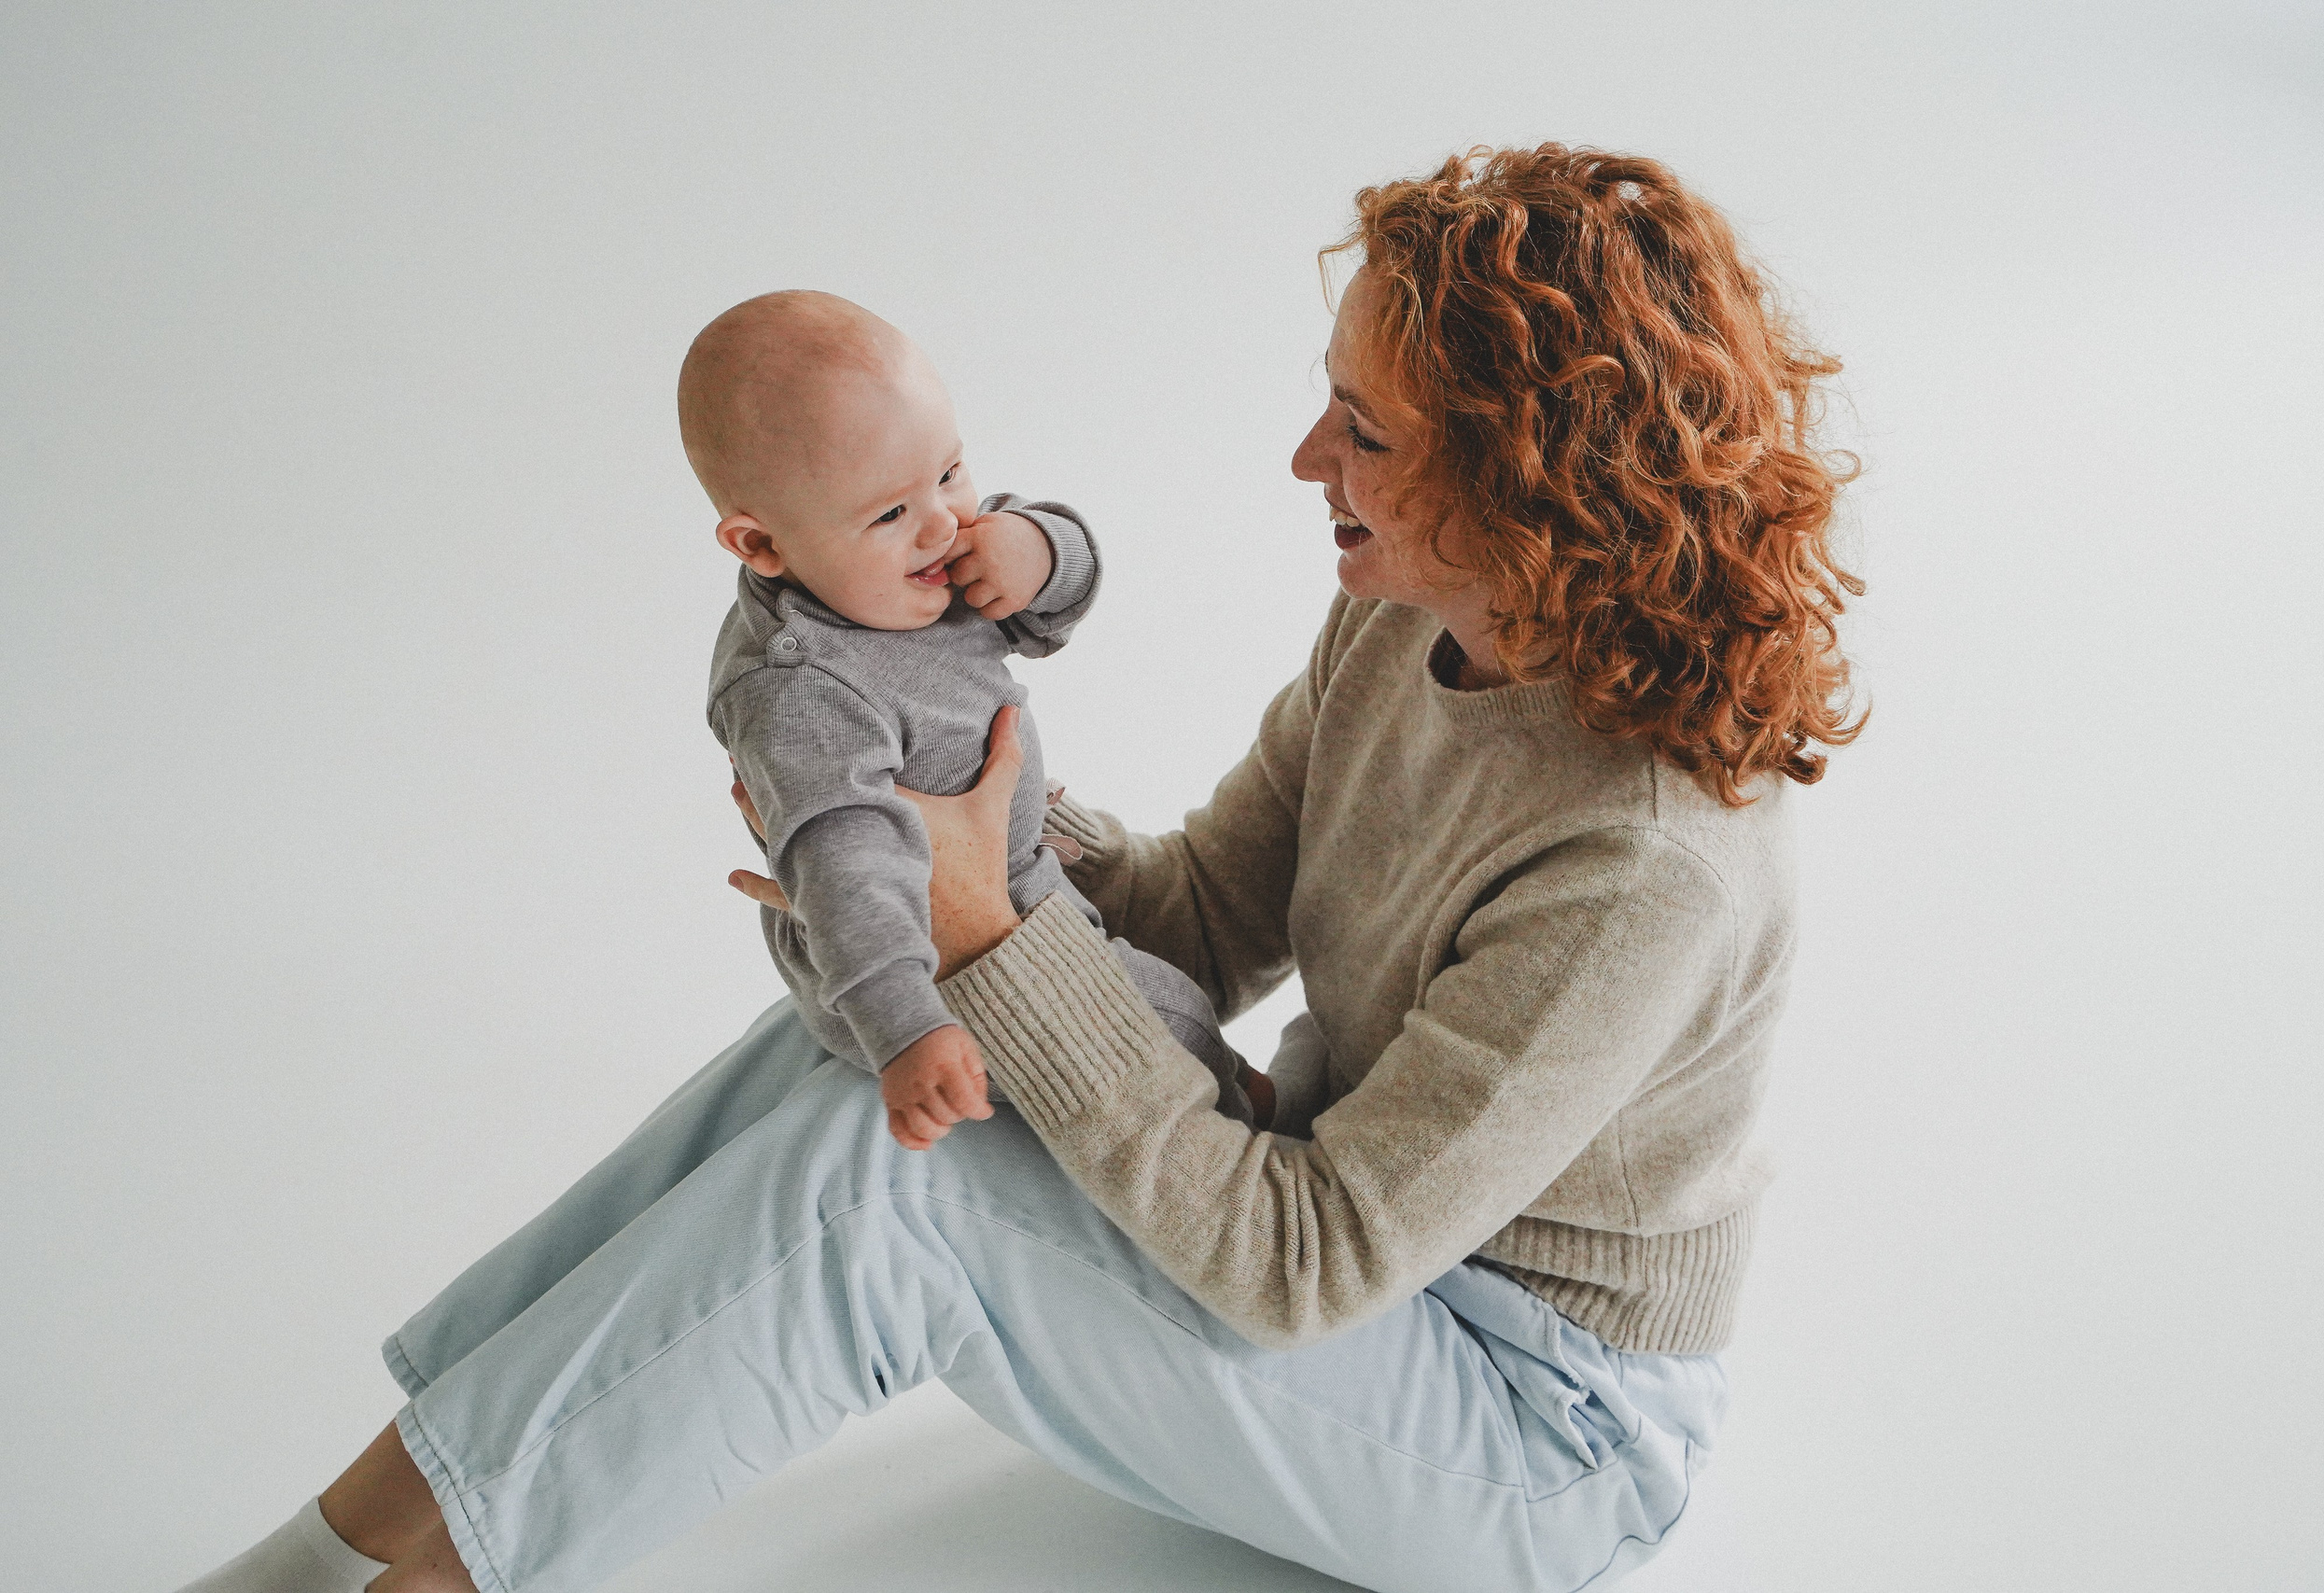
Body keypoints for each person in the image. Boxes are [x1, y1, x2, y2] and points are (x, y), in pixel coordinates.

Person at [173, 142, 1863, 1593]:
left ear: (1526, 485)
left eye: (1360, 427)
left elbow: (1316, 1259)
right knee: (854, 1052)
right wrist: (926, 827)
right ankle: (333, 1541)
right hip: (1372, 1269)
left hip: (1535, 1428)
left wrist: (976, 915)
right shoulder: (1410, 622)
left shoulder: (1647, 863)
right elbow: (1205, 909)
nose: (1302, 461)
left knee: (899, 1182)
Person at [682, 289, 1254, 1140]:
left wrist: (1042, 551)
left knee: (1177, 1003)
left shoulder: (901, 561)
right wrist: (908, 1027)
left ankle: (1245, 1109)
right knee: (1165, 1036)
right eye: (891, 512)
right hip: (920, 957)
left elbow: (1051, 602)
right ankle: (1257, 1129)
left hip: (1008, 880)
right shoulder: (802, 688)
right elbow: (846, 876)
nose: (945, 524)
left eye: (950, 471)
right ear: (760, 545)